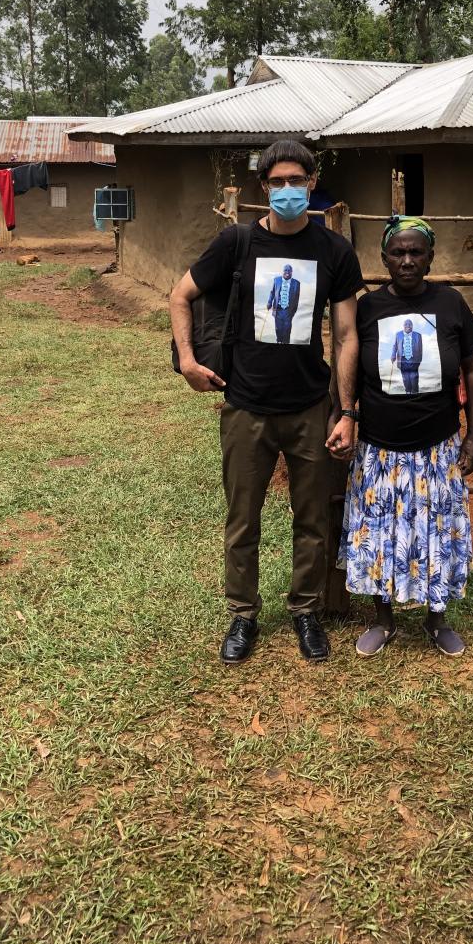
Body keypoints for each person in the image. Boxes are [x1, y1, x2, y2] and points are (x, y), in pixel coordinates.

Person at [170, 139, 362, 665]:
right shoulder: (235, 243)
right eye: (276, 183)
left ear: (312, 183)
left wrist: (345, 412)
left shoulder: (334, 252)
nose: (286, 192)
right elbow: (180, 295)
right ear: (263, 189)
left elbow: (346, 335)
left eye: (295, 182)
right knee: (243, 517)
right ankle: (243, 615)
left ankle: (305, 611)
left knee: (312, 517)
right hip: (246, 407)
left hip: (308, 408)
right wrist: (187, 361)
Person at [338, 216, 473, 658]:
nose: (406, 261)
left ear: (430, 258)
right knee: (381, 532)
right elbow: (345, 361)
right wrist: (343, 416)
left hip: (437, 446)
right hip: (380, 448)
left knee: (436, 531)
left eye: (415, 252)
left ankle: (437, 619)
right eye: (398, 253)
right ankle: (383, 620)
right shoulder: (367, 309)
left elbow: (471, 370)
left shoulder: (451, 304)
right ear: (384, 259)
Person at [267, 263, 301, 343]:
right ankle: (279, 342)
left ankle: (286, 345)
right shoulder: (277, 280)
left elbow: (297, 299)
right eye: (285, 270)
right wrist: (269, 302)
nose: (287, 272)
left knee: (287, 329)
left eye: (289, 270)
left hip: (288, 311)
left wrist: (292, 311)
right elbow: (272, 292)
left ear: (292, 272)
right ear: (283, 271)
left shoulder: (296, 283)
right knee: (278, 328)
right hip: (278, 310)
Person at [391, 317, 423, 394]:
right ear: (403, 326)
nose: (408, 325)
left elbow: (420, 348)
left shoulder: (418, 335)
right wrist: (393, 355)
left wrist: (418, 360)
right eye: (406, 324)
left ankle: (415, 392)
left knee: (413, 378)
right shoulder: (398, 334)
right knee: (405, 379)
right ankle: (408, 392)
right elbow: (395, 346)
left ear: (412, 326)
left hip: (414, 361)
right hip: (402, 361)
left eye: (410, 324)